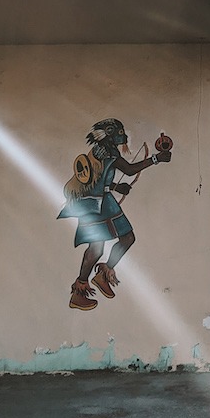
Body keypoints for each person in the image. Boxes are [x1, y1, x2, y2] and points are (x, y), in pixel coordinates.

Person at [58, 118, 172, 311]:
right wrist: (156, 159)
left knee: (125, 238)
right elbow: (128, 170)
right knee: (99, 248)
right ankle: (79, 291)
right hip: (94, 205)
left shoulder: (103, 151)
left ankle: (103, 275)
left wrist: (116, 186)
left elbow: (99, 177)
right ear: (110, 134)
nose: (124, 135)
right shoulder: (106, 151)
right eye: (120, 132)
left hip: (104, 203)